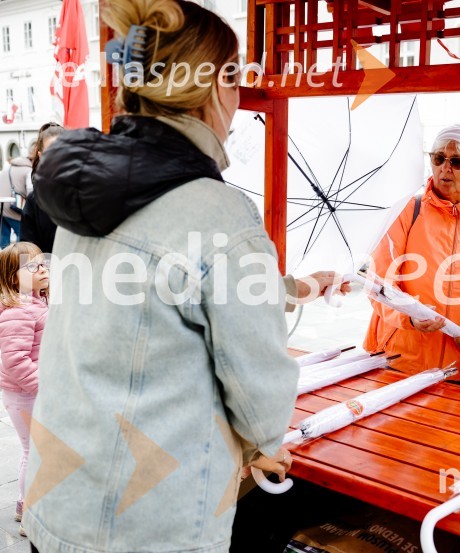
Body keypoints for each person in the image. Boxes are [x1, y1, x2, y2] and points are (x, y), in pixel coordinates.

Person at [23, 2, 342, 551]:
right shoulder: (217, 212)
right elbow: (259, 380)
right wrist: (265, 439)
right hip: (153, 522)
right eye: (236, 77)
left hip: (58, 503)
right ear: (215, 88)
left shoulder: (87, 198)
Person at [363, 120, 460, 386]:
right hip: (401, 359)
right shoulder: (406, 211)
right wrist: (409, 316)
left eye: (456, 161)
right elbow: (378, 283)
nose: (444, 168)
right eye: (438, 158)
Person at [0, 242, 49, 538]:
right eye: (33, 266)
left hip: (31, 392)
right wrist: (43, 387)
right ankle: (29, 511)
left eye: (44, 263)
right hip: (26, 394)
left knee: (40, 450)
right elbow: (15, 361)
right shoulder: (17, 311)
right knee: (34, 451)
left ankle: (29, 505)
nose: (43, 269)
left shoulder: (35, 303)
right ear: (14, 277)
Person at [20, 123, 64, 253]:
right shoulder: (34, 200)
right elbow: (27, 252)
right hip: (47, 270)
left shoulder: (85, 193)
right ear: (41, 155)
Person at [0, 155, 32, 247]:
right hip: (15, 208)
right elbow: (30, 192)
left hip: (2, 206)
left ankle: (4, 259)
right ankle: (18, 259)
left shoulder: (7, 169)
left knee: (4, 236)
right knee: (21, 236)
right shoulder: (28, 171)